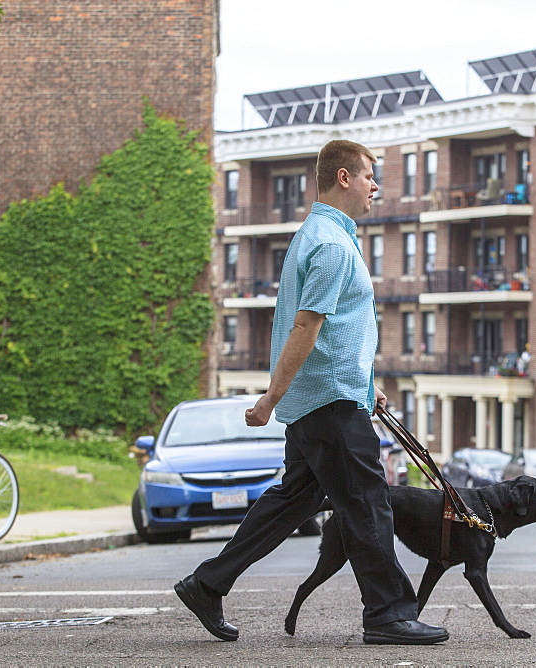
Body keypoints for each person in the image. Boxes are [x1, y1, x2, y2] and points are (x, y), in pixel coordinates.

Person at [174, 139, 449, 646]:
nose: (376, 188)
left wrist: (369, 387)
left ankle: (207, 584)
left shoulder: (322, 235)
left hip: (327, 397)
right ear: (343, 178)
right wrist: (269, 399)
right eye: (369, 176)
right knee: (369, 503)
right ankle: (388, 614)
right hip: (326, 404)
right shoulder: (331, 245)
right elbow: (306, 327)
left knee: (291, 501)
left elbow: (343, 327)